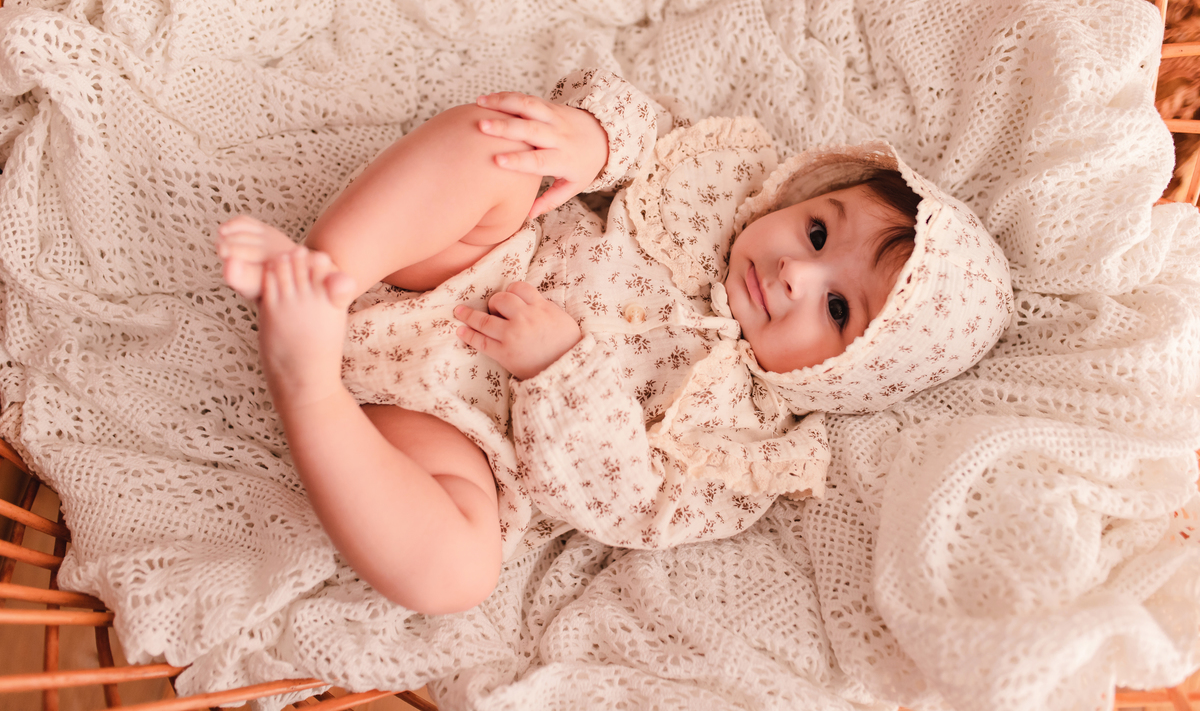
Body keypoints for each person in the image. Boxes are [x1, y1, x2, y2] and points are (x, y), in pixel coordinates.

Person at [216, 70, 1013, 615]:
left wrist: (559, 370)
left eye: (837, 309)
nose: (796, 273)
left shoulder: (747, 448)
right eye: (815, 232)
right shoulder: (718, 189)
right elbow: (641, 123)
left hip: (458, 431)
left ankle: (309, 384)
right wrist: (589, 141)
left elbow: (622, 504)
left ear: (845, 375)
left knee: (457, 571)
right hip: (455, 260)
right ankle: (324, 273)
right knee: (501, 144)